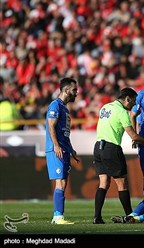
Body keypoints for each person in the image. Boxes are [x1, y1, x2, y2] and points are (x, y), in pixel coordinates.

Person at [93, 88, 144, 224]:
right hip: (111, 148)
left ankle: (97, 217)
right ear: (127, 98)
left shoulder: (105, 107)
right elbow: (133, 136)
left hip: (98, 148)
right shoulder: (122, 111)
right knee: (122, 183)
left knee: (104, 183)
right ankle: (130, 215)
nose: (134, 105)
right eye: (133, 101)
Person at [45, 77, 79, 225]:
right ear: (66, 90)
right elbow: (51, 126)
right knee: (61, 182)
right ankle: (58, 217)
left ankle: (58, 216)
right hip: (56, 149)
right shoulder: (55, 105)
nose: (76, 93)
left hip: (64, 149)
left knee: (63, 182)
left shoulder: (64, 108)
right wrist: (56, 145)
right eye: (74, 90)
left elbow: (65, 132)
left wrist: (71, 149)